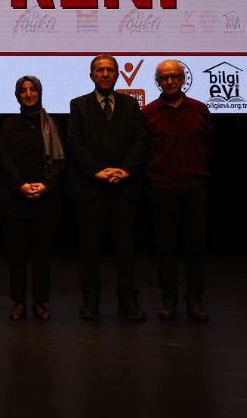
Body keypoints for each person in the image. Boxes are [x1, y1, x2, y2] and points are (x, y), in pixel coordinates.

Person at [67, 54, 148, 321]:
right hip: (92, 189)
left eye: (110, 70)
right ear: (91, 75)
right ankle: (90, 303)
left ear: (117, 75)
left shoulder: (130, 104)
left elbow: (140, 140)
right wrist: (96, 171)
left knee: (126, 250)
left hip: (124, 188)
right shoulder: (78, 104)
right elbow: (75, 142)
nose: (104, 74)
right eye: (99, 70)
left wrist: (126, 169)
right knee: (90, 251)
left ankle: (128, 302)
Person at [144, 59, 212, 322]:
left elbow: (206, 146)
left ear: (183, 79)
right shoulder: (148, 113)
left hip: (195, 187)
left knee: (196, 248)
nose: (170, 81)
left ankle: (194, 300)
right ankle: (169, 300)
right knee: (166, 249)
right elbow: (145, 151)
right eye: (164, 77)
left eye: (174, 76)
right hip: (161, 189)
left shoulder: (200, 109)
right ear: (158, 81)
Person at [0, 75, 64, 321]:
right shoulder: (9, 125)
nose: (28, 94)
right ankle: (18, 302)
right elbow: (5, 158)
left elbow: (61, 161)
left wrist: (46, 185)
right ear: (17, 95)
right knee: (17, 257)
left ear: (40, 93)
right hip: (17, 200)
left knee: (42, 257)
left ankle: (39, 302)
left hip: (46, 200)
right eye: (23, 90)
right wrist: (21, 185)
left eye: (33, 90)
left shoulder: (53, 123)